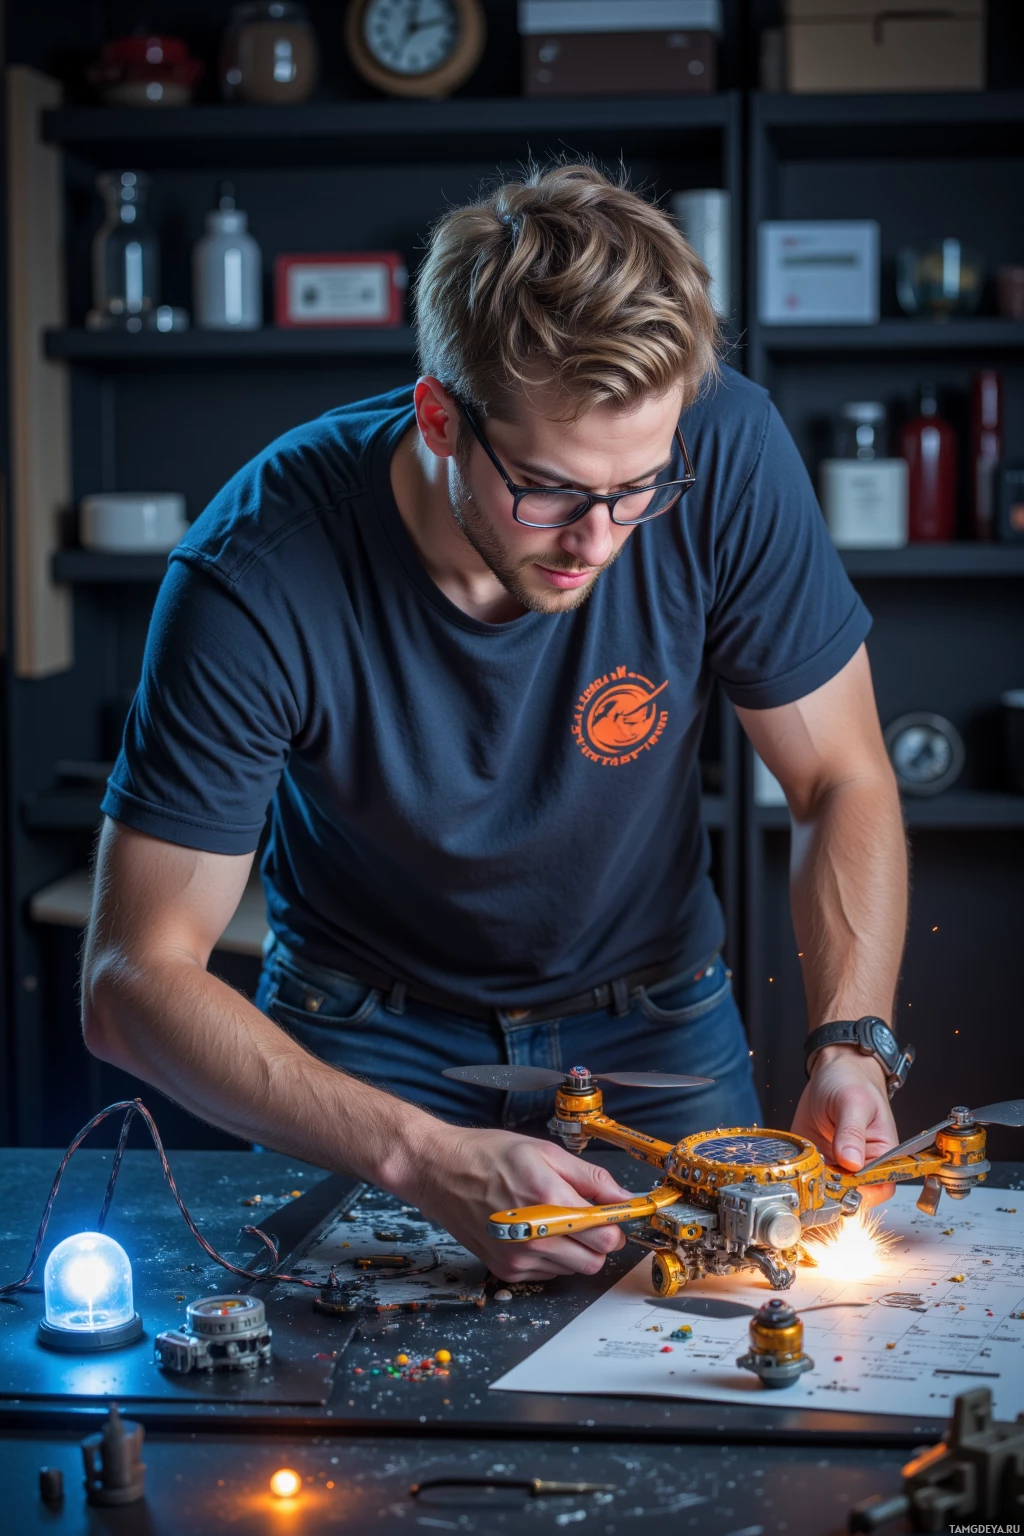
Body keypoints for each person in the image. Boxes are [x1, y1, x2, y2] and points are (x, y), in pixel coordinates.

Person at [82, 164, 908, 1284]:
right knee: (333, 1413)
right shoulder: (255, 572)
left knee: (716, 1364)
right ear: (439, 416)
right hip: (365, 1042)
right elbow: (131, 981)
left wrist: (851, 1040)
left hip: (654, 1022)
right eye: (553, 491)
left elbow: (840, 780)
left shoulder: (727, 451)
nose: (599, 540)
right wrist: (420, 1153)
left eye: (638, 490)